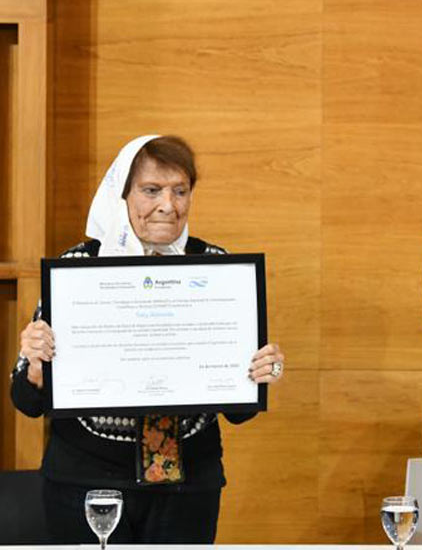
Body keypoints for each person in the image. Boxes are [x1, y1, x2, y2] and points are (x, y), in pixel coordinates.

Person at [9, 135, 285, 544]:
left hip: (188, 491)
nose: (168, 205)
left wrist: (260, 372)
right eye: (151, 190)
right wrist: (34, 364)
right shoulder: (77, 270)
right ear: (121, 194)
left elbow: (238, 411)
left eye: (180, 191)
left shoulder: (216, 269)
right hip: (86, 486)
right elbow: (26, 401)